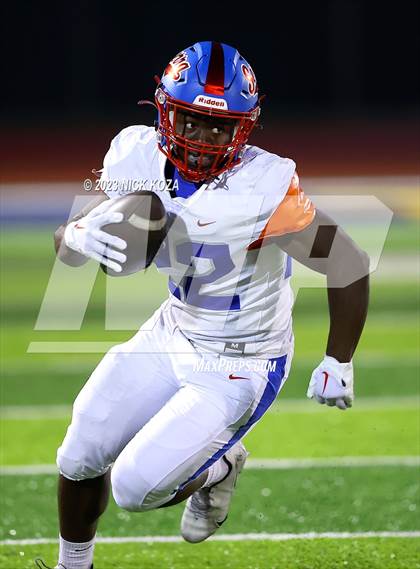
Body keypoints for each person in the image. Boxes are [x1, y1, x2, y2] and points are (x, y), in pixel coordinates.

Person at [40, 40, 369, 569]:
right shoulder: (136, 155)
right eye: (190, 120)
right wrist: (73, 234)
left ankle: (219, 468)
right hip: (173, 329)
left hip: (242, 360)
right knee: (81, 450)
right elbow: (80, 243)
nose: (200, 137)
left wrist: (339, 358)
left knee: (134, 488)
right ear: (164, 111)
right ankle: (72, 565)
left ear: (244, 128)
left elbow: (347, 261)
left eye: (218, 126)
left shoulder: (264, 186)